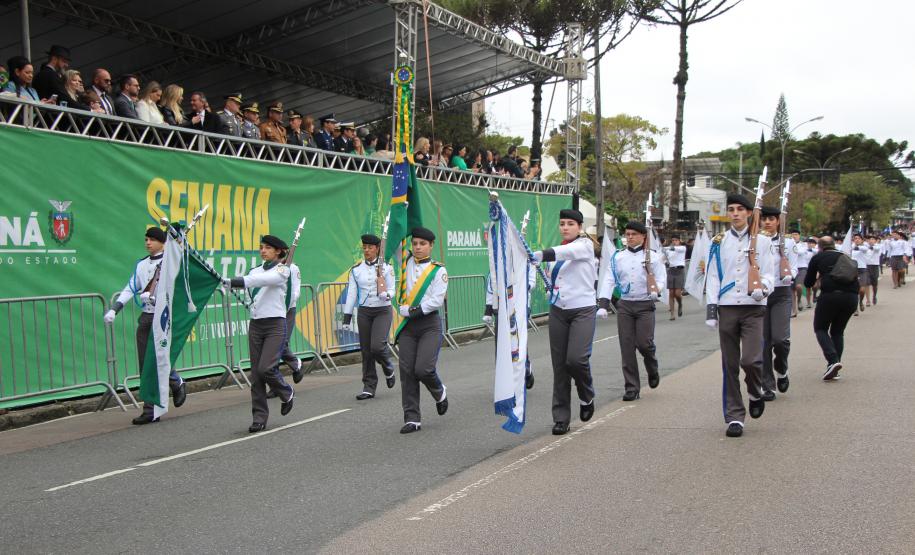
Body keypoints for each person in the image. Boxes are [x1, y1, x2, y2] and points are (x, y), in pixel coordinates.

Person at [704, 194, 775, 438]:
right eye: (731, 209)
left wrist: (762, 288)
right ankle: (734, 416)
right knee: (730, 364)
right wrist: (712, 308)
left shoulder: (763, 241)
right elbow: (713, 275)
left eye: (740, 209)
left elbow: (769, 272)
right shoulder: (718, 241)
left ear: (748, 213)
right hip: (727, 306)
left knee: (751, 360)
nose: (735, 213)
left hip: (753, 307)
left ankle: (755, 391)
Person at [104, 227, 187, 424]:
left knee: (160, 359)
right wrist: (115, 308)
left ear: (162, 242)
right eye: (146, 239)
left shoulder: (172, 262)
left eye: (152, 239)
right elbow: (130, 287)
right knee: (145, 364)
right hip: (147, 317)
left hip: (165, 317)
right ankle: (150, 408)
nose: (148, 242)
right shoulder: (142, 265)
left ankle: (175, 382)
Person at [532, 209, 597, 436]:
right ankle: (561, 418)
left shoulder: (584, 246)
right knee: (560, 367)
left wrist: (538, 255)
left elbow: (563, 253)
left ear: (579, 227)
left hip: (583, 310)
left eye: (570, 223)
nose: (565, 227)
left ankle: (586, 395)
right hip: (558, 310)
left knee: (576, 360)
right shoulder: (558, 250)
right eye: (562, 223)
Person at [223, 235, 296, 433]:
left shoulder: (283, 270)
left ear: (279, 252)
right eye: (261, 247)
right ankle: (259, 417)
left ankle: (286, 391)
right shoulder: (254, 270)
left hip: (275, 325)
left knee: (266, 368)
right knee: (256, 375)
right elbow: (251, 286)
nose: (263, 251)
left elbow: (262, 280)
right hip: (256, 324)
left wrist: (236, 281)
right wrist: (228, 285)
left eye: (268, 248)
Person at [597, 220, 666, 401]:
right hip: (626, 305)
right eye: (627, 234)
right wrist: (603, 303)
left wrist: (655, 290)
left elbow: (661, 278)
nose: (630, 238)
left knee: (644, 343)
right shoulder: (618, 257)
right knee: (626, 347)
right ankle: (631, 387)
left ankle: (652, 367)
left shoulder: (653, 256)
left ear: (643, 237)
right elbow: (609, 280)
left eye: (634, 234)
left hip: (645, 304)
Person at [395, 227, 449, 433]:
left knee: (423, 369)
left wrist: (413, 311)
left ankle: (439, 391)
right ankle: (412, 418)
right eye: (415, 243)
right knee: (407, 371)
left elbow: (436, 300)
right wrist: (402, 207)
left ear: (431, 246)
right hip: (408, 327)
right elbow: (394, 243)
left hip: (428, 324)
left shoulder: (438, 270)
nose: (418, 247)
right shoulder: (405, 262)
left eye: (422, 244)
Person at [342, 234, 397, 400]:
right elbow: (352, 293)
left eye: (370, 247)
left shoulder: (386, 268)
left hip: (382, 310)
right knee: (366, 351)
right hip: (365, 312)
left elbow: (393, 290)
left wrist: (387, 294)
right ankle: (369, 386)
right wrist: (347, 316)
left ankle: (388, 366)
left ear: (377, 248)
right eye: (364, 247)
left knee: (377, 347)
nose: (366, 250)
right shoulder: (356, 270)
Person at [804, 236, 858, 380]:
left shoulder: (818, 257)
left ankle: (833, 360)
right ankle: (834, 366)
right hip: (851, 298)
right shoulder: (844, 256)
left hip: (830, 296)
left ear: (819, 247)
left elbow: (808, 282)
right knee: (838, 331)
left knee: (820, 328)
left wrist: (818, 277)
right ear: (834, 245)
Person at [759, 206, 797, 399]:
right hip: (761, 295)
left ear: (778, 221)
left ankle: (781, 369)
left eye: (771, 219)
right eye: (764, 219)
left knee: (780, 340)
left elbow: (795, 267)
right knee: (763, 343)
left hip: (781, 293)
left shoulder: (788, 242)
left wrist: (788, 275)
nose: (767, 222)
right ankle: (767, 385)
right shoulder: (755, 242)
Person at [663, 235, 687, 320]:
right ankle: (672, 314)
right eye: (673, 240)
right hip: (671, 271)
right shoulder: (669, 251)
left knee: (677, 293)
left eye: (676, 240)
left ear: (679, 241)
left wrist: (665, 248)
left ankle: (680, 304)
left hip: (679, 271)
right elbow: (664, 259)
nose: (674, 242)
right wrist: (665, 261)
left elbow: (674, 249)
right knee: (671, 293)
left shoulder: (682, 248)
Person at [850, 233, 873, 314]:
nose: (857, 240)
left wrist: (856, 247)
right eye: (855, 238)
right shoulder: (850, 247)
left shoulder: (864, 247)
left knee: (862, 290)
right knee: (853, 290)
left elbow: (864, 249)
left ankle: (860, 302)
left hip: (862, 269)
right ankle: (855, 308)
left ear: (862, 240)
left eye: (858, 238)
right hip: (852, 270)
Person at [794, 237, 818, 310]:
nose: (810, 244)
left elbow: (817, 251)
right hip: (804, 269)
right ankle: (807, 303)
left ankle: (814, 296)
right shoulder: (803, 249)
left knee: (814, 286)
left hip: (812, 269)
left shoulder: (814, 251)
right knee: (807, 287)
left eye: (812, 243)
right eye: (809, 243)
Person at [865, 235, 882, 305]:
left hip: (874, 266)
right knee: (867, 283)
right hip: (866, 266)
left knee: (874, 284)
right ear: (868, 241)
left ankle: (874, 296)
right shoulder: (864, 247)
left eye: (872, 239)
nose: (871, 240)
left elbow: (876, 249)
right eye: (869, 239)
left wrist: (869, 247)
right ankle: (868, 300)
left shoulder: (878, 246)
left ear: (875, 240)